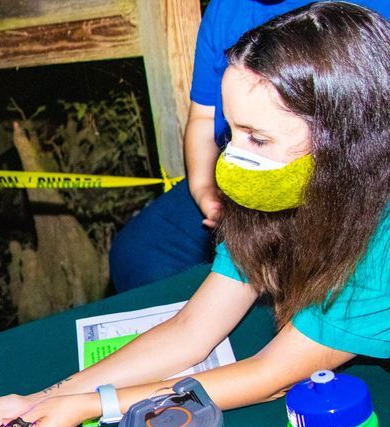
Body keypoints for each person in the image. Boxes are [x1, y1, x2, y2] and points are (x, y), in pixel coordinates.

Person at [0, 2, 390, 427]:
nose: (231, 160)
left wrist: (86, 407)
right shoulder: (275, 189)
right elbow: (191, 329)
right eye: (231, 133)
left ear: (345, 139)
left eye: (256, 139)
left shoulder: (381, 235)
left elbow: (271, 374)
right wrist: (42, 399)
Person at [108, 0, 390, 292]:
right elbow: (204, 117)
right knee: (140, 252)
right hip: (243, 162)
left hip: (341, 182)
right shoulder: (227, 8)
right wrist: (204, 189)